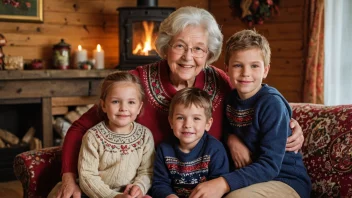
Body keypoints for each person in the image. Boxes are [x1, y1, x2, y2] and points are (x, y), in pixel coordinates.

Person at [53, 6, 305, 198]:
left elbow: (256, 102)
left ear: (209, 54)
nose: (188, 57)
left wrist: (292, 125)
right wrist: (69, 177)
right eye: (180, 46)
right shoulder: (134, 83)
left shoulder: (220, 81)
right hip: (140, 185)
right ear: (165, 47)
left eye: (198, 49)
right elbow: (79, 128)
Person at [189, 30, 311, 198]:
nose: (246, 73)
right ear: (227, 69)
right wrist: (231, 139)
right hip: (253, 180)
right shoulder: (230, 99)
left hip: (285, 180)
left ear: (266, 70)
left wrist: (223, 183)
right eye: (238, 65)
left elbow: (270, 165)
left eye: (254, 66)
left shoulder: (271, 104)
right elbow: (220, 128)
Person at [49, 71, 155, 198]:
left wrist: (139, 187)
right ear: (103, 105)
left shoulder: (145, 136)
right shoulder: (93, 136)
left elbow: (147, 171)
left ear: (139, 107)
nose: (123, 108)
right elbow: (87, 176)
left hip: (128, 193)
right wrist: (114, 196)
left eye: (131, 102)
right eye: (116, 102)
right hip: (96, 193)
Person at [151, 87, 229, 198]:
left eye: (196, 118)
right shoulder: (164, 149)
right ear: (171, 122)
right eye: (180, 118)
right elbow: (159, 184)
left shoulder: (215, 149)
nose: (187, 125)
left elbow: (218, 186)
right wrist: (169, 196)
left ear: (208, 123)